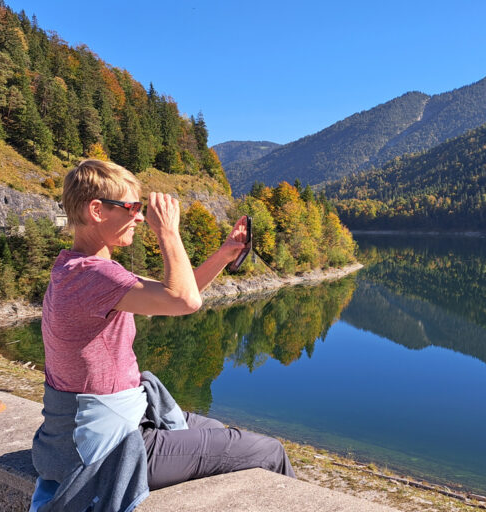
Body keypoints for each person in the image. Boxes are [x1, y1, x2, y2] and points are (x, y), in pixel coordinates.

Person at [29, 160, 294, 512]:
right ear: (96, 210)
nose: (140, 217)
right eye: (132, 208)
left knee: (216, 430)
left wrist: (224, 254)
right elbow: (184, 299)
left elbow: (176, 295)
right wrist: (168, 232)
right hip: (111, 445)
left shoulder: (77, 269)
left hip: (93, 428)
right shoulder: (93, 276)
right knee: (270, 451)